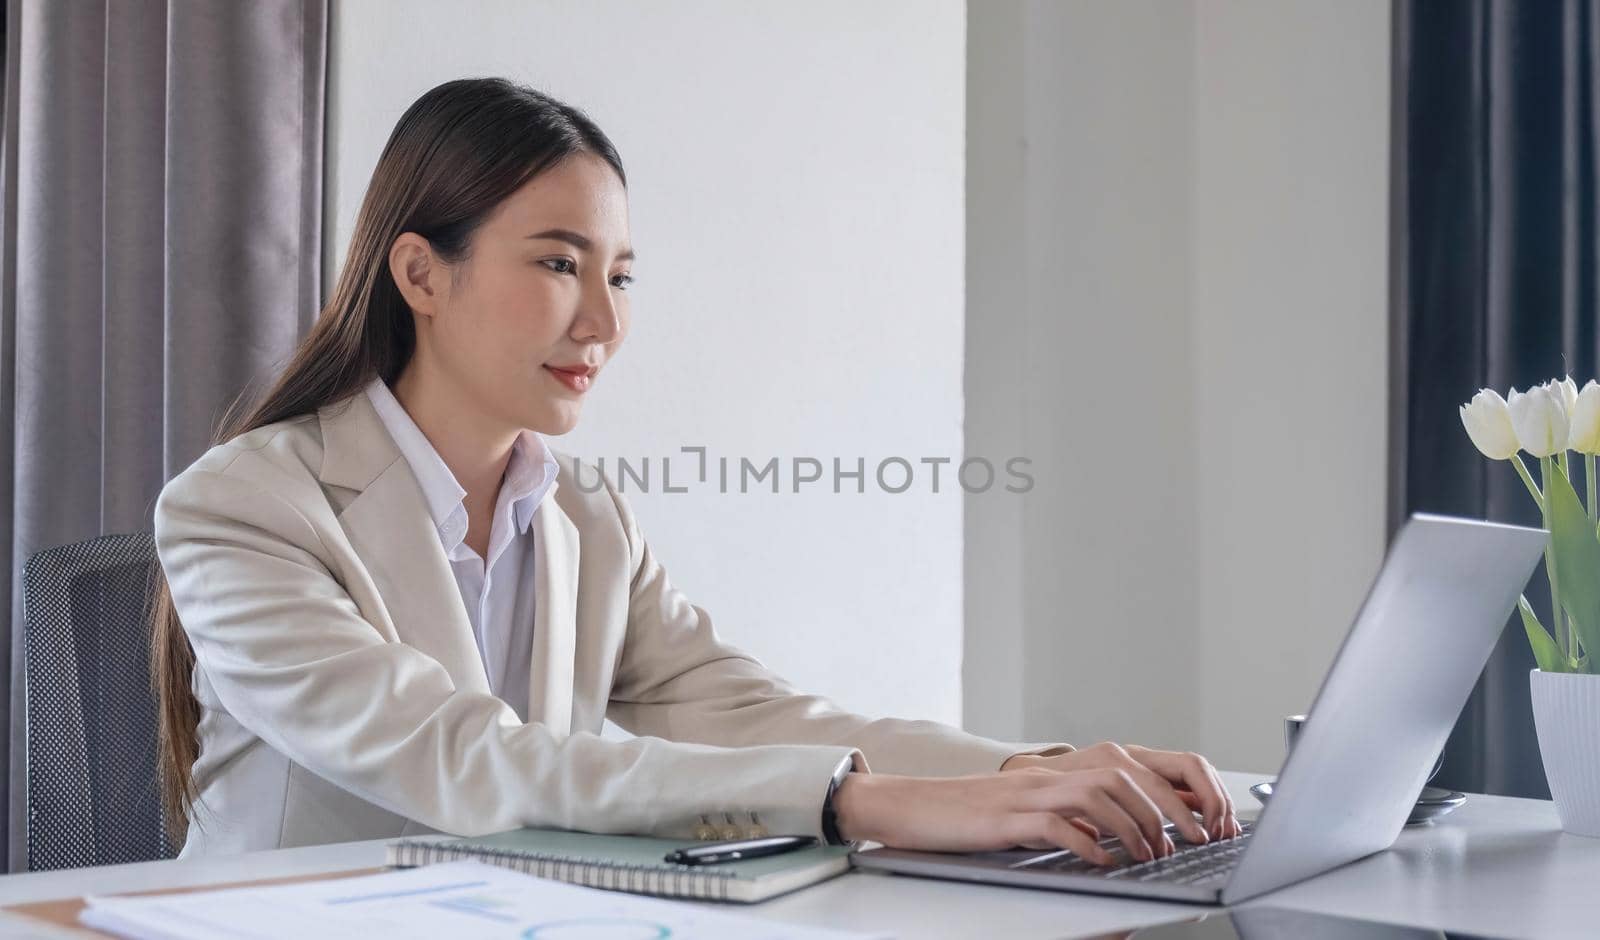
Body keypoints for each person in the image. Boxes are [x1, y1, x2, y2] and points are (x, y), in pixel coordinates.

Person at [150, 77, 1240, 865]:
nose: (602, 321)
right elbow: (465, 757)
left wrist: (1024, 774)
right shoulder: (242, 508)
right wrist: (864, 804)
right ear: (420, 274)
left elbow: (749, 712)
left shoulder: (580, 512)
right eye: (557, 263)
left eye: (620, 274)